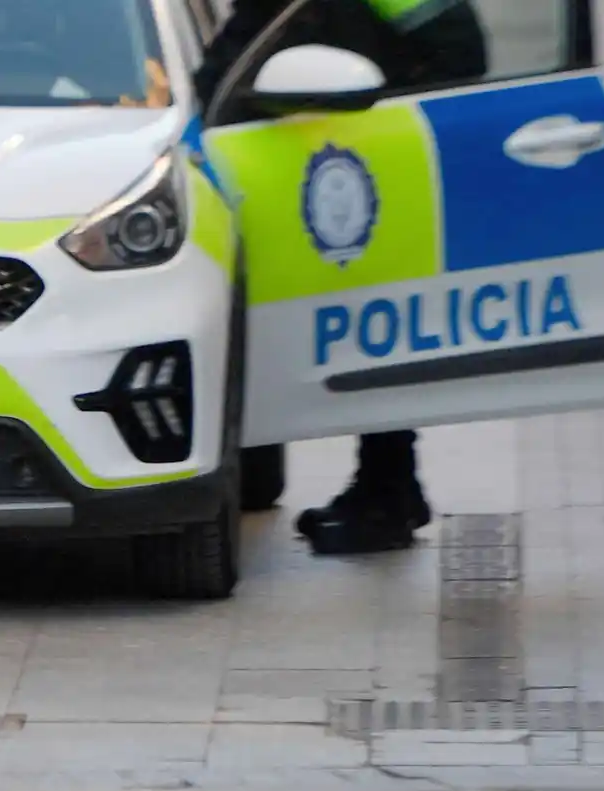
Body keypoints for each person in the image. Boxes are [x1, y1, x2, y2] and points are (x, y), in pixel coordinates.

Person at [194, 0, 486, 556]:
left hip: (371, 153)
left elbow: (459, 51)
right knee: (362, 326)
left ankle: (387, 495)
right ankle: (390, 487)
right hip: (343, 150)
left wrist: (382, 111)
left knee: (377, 327)